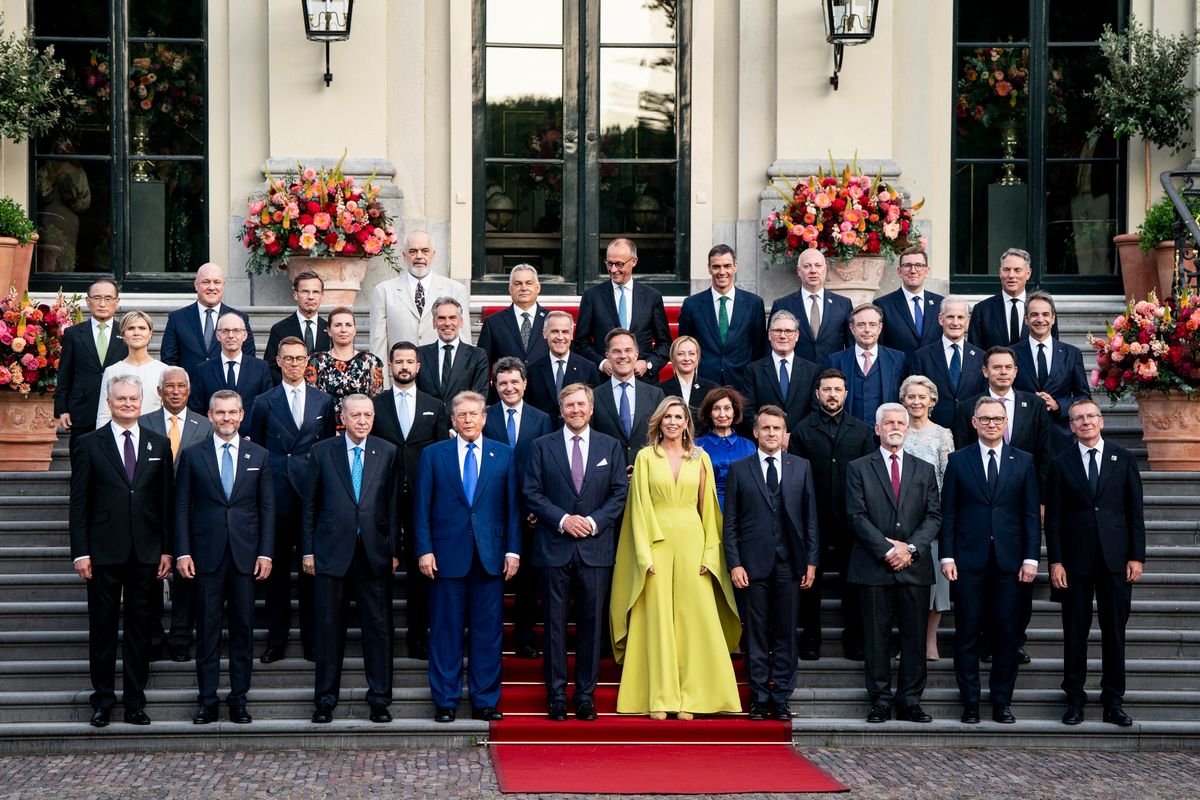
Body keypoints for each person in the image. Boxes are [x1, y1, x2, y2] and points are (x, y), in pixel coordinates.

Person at [610, 397, 742, 719]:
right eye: (667, 416)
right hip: (656, 542)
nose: (672, 422)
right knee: (657, 620)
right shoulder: (644, 457)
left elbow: (708, 509)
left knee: (692, 621)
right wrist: (643, 555)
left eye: (678, 417)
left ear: (687, 423)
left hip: (692, 542)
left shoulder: (700, 458)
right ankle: (661, 696)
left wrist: (710, 554)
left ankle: (692, 699)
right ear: (658, 421)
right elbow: (638, 509)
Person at [69, 374, 173, 727]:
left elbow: (165, 503)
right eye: (121, 399)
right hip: (102, 554)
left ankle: (134, 701)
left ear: (142, 402)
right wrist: (80, 552)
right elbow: (78, 504)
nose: (128, 404)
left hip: (146, 553)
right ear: (110, 403)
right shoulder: (88, 444)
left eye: (133, 399)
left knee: (139, 630)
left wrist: (167, 550)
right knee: (102, 629)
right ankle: (102, 701)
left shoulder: (159, 444)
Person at [414, 392, 521, 723]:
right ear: (453, 419)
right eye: (462, 415)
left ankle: (485, 700)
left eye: (474, 414)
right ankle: (445, 700)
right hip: (446, 556)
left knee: (488, 633)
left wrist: (513, 549)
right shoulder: (434, 455)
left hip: (490, 557)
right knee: (446, 630)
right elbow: (421, 506)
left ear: (484, 418)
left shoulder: (503, 455)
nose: (468, 419)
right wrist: (424, 549)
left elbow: (513, 508)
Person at [525, 383, 629, 721]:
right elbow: (532, 492)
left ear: (592, 407)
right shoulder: (541, 446)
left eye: (581, 404)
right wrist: (564, 519)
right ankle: (555, 696)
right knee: (554, 627)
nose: (575, 410)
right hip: (554, 547)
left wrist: (594, 522)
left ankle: (585, 695)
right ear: (561, 409)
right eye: (569, 405)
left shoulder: (610, 447)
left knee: (590, 625)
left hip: (596, 549)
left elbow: (619, 493)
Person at [174, 390, 274, 724]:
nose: (226, 418)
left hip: (246, 556)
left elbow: (266, 508)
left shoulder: (259, 455)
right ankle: (206, 699)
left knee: (243, 631)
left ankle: (238, 698)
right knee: (207, 631)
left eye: (232, 412)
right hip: (205, 556)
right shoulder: (192, 455)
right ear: (210, 415)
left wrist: (266, 553)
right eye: (220, 413)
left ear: (242, 415)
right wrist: (183, 551)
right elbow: (181, 506)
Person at [940, 397, 1040, 725]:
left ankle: (1002, 702)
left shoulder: (1023, 461)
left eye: (998, 419)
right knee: (967, 634)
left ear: (1006, 422)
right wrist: (947, 554)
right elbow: (950, 512)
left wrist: (1030, 558)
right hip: (968, 560)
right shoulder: (958, 461)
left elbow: (1029, 513)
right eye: (985, 419)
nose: (992, 424)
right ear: (974, 423)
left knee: (1006, 635)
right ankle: (970, 702)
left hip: (1010, 563)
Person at [1045, 400, 1145, 727]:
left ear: (1101, 421)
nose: (1085, 422)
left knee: (1114, 632)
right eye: (1078, 419)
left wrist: (1136, 556)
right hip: (1074, 562)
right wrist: (1055, 562)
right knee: (1075, 633)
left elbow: (1135, 513)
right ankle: (1074, 699)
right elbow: (1054, 520)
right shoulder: (1060, 464)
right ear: (1071, 426)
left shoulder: (1124, 459)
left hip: (1116, 559)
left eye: (1090, 416)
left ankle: (1113, 701)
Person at [303, 394, 402, 724]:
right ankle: (325, 701)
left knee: (379, 630)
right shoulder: (321, 452)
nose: (362, 420)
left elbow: (392, 506)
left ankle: (379, 700)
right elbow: (310, 505)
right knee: (329, 631)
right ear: (342, 417)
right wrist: (308, 551)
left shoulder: (387, 452)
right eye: (356, 415)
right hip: (331, 553)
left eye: (368, 415)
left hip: (373, 555)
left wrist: (393, 550)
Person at [954, 345, 1053, 666]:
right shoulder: (968, 406)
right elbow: (961, 454)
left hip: (1020, 505)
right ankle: (984, 640)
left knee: (1019, 577)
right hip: (979, 507)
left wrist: (1040, 500)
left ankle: (1015, 639)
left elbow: (1044, 455)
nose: (1002, 372)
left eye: (1008, 367)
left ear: (1015, 371)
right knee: (980, 580)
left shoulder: (1034, 405)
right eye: (995, 367)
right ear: (985, 371)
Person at [846, 403, 943, 724]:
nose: (895, 426)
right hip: (874, 566)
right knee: (876, 637)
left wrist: (911, 548)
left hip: (915, 568)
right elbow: (856, 516)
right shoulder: (858, 468)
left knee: (915, 638)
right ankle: (880, 699)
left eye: (900, 422)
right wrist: (888, 550)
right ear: (877, 429)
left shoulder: (924, 470)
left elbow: (934, 516)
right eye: (888, 422)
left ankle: (910, 700)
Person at [723, 404, 819, 721]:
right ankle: (759, 697)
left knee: (786, 633)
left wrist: (811, 561)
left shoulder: (801, 467)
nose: (771, 433)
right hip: (752, 565)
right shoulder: (740, 468)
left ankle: (781, 697)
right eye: (765, 428)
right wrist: (734, 562)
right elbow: (731, 522)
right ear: (755, 432)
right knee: (756, 634)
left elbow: (810, 520)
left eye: (776, 428)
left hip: (790, 563)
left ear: (784, 433)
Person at [248, 336, 336, 664]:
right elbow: (256, 449)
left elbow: (327, 449)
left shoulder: (323, 401)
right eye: (289, 359)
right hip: (277, 494)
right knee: (278, 573)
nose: (295, 364)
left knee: (312, 572)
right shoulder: (263, 402)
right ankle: (277, 639)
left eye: (300, 359)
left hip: (311, 495)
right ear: (279, 362)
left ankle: (313, 639)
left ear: (308, 362)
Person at [788, 368, 876, 660]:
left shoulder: (861, 430)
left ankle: (855, 640)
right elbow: (796, 477)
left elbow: (868, 478)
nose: (832, 394)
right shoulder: (802, 430)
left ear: (845, 393)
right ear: (817, 393)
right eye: (826, 389)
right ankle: (811, 639)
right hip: (814, 518)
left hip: (853, 520)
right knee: (810, 582)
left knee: (853, 582)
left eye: (837, 389)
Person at [370, 341, 449, 660]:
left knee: (420, 573)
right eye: (398, 361)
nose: (404, 366)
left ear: (418, 367)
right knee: (380, 570)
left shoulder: (436, 405)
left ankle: (419, 636)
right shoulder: (377, 405)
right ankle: (382, 638)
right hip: (381, 499)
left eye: (409, 361)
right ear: (390, 367)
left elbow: (443, 454)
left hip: (422, 500)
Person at [139, 367, 212, 663]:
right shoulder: (143, 424)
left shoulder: (205, 426)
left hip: (192, 514)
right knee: (151, 577)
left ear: (189, 391)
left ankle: (181, 637)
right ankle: (154, 637)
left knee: (186, 580)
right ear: (159, 392)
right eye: (169, 386)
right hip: (151, 513)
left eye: (182, 385)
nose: (175, 391)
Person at [482, 357, 553, 658]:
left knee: (527, 582)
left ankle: (524, 638)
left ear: (525, 384)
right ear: (494, 385)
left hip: (530, 512)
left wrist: (539, 506)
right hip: (491, 510)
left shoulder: (542, 418)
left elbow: (548, 464)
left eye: (514, 382)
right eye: (503, 383)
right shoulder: (485, 416)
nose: (509, 388)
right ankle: (490, 640)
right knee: (490, 577)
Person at [898, 375, 955, 661]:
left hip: (934, 519)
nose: (917, 402)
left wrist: (941, 517)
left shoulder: (943, 434)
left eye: (922, 397)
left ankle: (930, 639)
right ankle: (908, 640)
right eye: (911, 397)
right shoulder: (896, 431)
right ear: (903, 400)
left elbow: (949, 477)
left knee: (935, 586)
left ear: (932, 401)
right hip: (900, 520)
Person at [369, 230, 472, 384]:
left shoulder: (455, 290)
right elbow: (378, 344)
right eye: (412, 251)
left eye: (425, 251)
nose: (419, 256)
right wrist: (381, 386)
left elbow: (464, 342)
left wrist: (462, 384)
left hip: (442, 382)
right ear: (404, 256)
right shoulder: (384, 291)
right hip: (400, 380)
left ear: (433, 254)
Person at [573, 238, 672, 382]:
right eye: (609, 263)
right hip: (604, 380)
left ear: (634, 262)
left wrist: (648, 364)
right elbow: (581, 342)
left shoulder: (652, 297)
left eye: (619, 264)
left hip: (642, 380)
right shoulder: (592, 296)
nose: (613, 270)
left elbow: (665, 343)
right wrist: (601, 363)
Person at [676, 244, 767, 394]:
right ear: (709, 268)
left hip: (742, 383)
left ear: (735, 267)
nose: (722, 272)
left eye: (727, 266)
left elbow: (758, 349)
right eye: (716, 267)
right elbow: (684, 345)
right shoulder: (692, 305)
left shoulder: (754, 304)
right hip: (704, 383)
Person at [55, 278, 129, 449]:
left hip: (117, 410)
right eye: (97, 298)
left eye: (108, 298)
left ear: (117, 301)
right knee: (82, 464)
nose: (102, 303)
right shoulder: (74, 334)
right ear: (88, 301)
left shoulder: (126, 332)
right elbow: (65, 373)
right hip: (82, 410)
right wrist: (62, 409)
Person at [1012, 291, 1090, 440]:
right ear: (1026, 319)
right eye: (1034, 314)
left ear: (1053, 319)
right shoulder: (1012, 354)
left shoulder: (1071, 353)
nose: (1040, 319)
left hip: (1060, 435)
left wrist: (1058, 405)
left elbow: (1084, 397)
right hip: (1021, 435)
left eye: (1045, 314)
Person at [160, 262, 256, 377]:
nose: (211, 287)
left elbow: (249, 359)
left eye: (217, 282)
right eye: (206, 282)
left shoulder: (239, 318)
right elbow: (169, 360)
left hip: (226, 390)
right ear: (196, 285)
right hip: (190, 391)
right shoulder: (177, 318)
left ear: (223, 285)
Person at [590, 329, 665, 469]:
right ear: (608, 356)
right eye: (616, 351)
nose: (623, 356)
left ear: (636, 354)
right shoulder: (594, 396)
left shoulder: (656, 395)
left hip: (647, 472)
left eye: (628, 350)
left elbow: (662, 438)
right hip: (608, 474)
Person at [908, 296, 986, 430]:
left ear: (967, 320)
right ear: (940, 319)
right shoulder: (922, 356)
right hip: (933, 430)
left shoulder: (981, 356)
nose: (955, 323)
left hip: (971, 430)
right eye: (950, 317)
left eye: (960, 317)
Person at [189, 311, 274, 432]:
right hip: (213, 439)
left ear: (244, 335)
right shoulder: (202, 370)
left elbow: (266, 408)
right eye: (225, 331)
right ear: (218, 335)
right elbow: (197, 410)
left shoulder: (260, 368)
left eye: (236, 330)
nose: (231, 335)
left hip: (251, 440)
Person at [827, 303, 908, 427]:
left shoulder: (898, 359)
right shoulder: (836, 360)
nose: (867, 330)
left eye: (872, 324)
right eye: (861, 325)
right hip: (847, 434)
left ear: (880, 328)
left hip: (885, 434)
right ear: (852, 328)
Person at [769, 248, 853, 366]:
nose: (813, 271)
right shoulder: (782, 305)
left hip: (833, 375)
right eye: (807, 266)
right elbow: (771, 345)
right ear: (798, 270)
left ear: (825, 269)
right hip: (797, 376)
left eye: (818, 265)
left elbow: (852, 346)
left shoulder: (843, 304)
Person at [967, 247, 1059, 350]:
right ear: (1000, 272)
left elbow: (1052, 347)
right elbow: (974, 353)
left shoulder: (1044, 308)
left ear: (1028, 273)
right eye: (1006, 270)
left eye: (1017, 270)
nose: (1011, 275)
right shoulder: (982, 310)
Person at [743, 310, 820, 432]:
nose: (783, 336)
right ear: (769, 335)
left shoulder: (812, 370)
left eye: (789, 331)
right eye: (777, 331)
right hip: (765, 441)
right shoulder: (753, 370)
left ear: (797, 335)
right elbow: (748, 410)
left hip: (801, 443)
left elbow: (815, 410)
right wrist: (768, 433)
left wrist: (793, 436)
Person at [306, 306, 385, 424]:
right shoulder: (316, 361)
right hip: (326, 429)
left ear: (355, 330)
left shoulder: (371, 362)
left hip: (362, 428)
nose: (344, 330)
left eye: (348, 325)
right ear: (328, 330)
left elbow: (376, 402)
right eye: (338, 325)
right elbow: (312, 401)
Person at [416, 297, 490, 413]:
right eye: (441, 318)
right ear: (434, 323)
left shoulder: (477, 356)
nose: (447, 323)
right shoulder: (419, 354)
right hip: (427, 425)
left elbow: (479, 395)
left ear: (461, 322)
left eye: (452, 318)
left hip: (461, 424)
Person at [96, 311, 169, 428]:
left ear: (150, 333)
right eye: (131, 328)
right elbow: (104, 415)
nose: (136, 333)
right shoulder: (112, 371)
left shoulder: (163, 370)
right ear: (123, 334)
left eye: (142, 328)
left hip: (155, 437)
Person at [525, 310, 600, 423]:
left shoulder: (588, 368)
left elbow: (594, 410)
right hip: (543, 436)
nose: (560, 337)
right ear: (545, 333)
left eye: (565, 332)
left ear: (571, 335)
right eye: (555, 331)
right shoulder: (532, 371)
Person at [262, 271, 332, 385]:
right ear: (295, 295)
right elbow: (271, 367)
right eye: (305, 291)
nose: (310, 297)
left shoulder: (331, 330)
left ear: (321, 296)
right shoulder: (279, 329)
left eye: (315, 292)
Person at [875, 246, 944, 359]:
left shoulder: (941, 304)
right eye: (907, 266)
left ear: (927, 271)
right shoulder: (882, 305)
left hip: (933, 374)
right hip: (899, 373)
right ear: (899, 271)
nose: (913, 271)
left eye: (919, 265)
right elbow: (880, 347)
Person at [695, 387, 757, 511]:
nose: (722, 414)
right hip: (709, 506)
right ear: (709, 413)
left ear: (734, 412)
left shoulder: (749, 446)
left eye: (727, 408)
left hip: (743, 508)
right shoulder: (697, 446)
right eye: (716, 409)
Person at [477, 264, 549, 367]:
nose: (524, 288)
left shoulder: (552, 320)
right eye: (518, 284)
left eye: (529, 283)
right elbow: (482, 366)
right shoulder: (493, 323)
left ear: (538, 288)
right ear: (510, 289)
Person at [658, 335, 718, 434]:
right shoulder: (659, 390)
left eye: (692, 354)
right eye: (681, 354)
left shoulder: (712, 389)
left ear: (698, 357)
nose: (687, 358)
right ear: (673, 357)